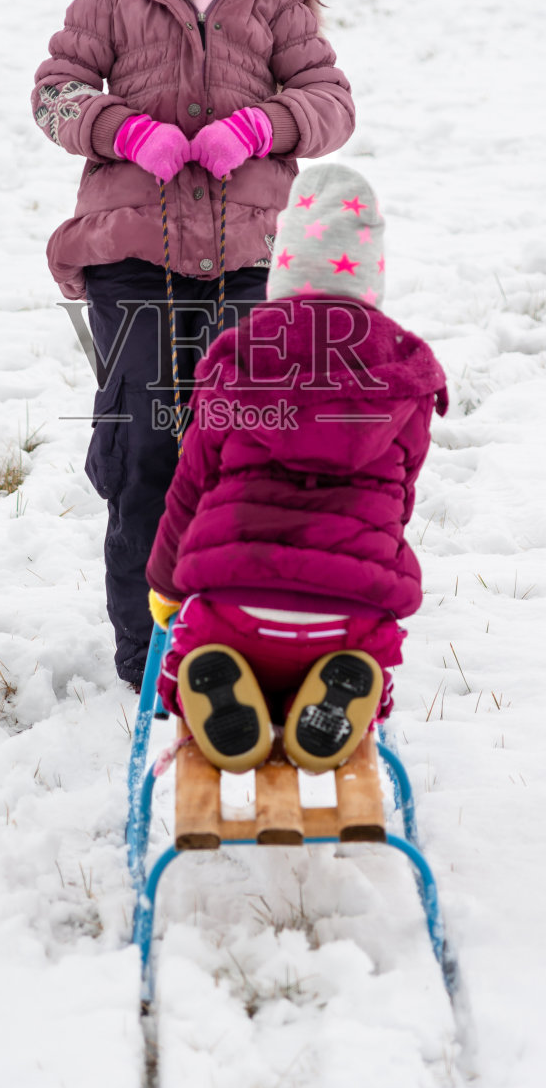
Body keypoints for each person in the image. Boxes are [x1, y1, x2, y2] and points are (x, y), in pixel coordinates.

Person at [31, 0, 354, 688]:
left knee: (246, 451)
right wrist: (120, 129)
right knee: (150, 453)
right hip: (134, 261)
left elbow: (331, 103)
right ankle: (149, 657)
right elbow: (55, 88)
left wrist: (263, 127)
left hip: (249, 264)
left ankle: (240, 633)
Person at [145, 163, 448, 774]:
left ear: (281, 271)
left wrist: (164, 584)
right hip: (350, 613)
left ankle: (217, 679)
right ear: (371, 280)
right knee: (367, 653)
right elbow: (400, 499)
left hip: (234, 603)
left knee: (195, 653)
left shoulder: (238, 357)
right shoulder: (402, 375)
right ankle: (345, 690)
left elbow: (190, 489)